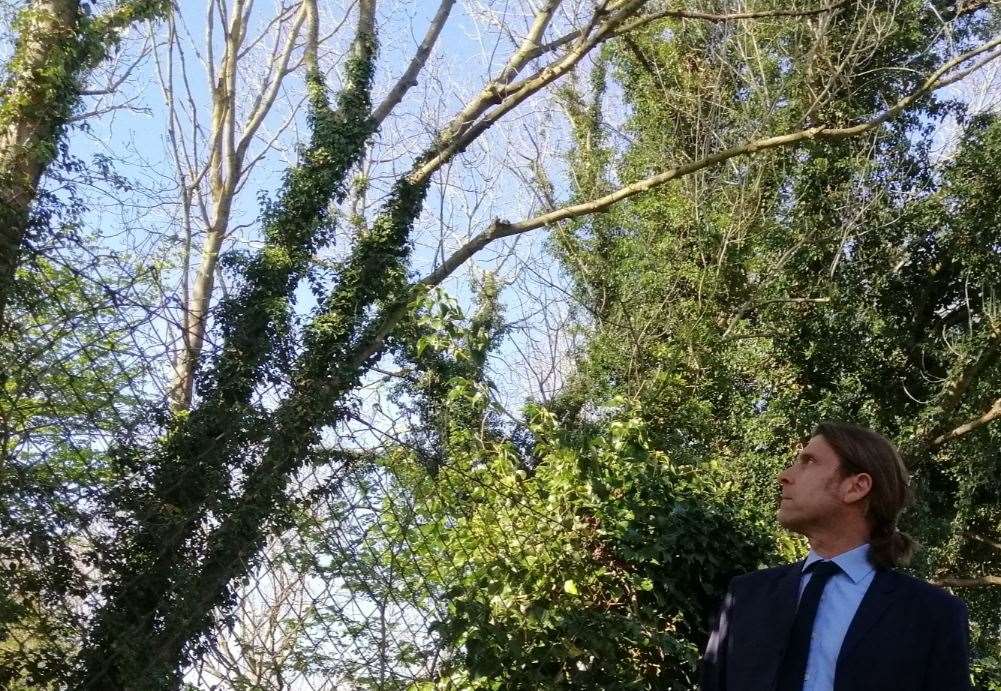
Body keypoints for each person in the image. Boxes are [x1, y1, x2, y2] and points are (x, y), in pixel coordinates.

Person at [700, 422, 971, 691]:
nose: (783, 476)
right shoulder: (745, 594)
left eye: (808, 461)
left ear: (856, 487)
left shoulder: (933, 615)